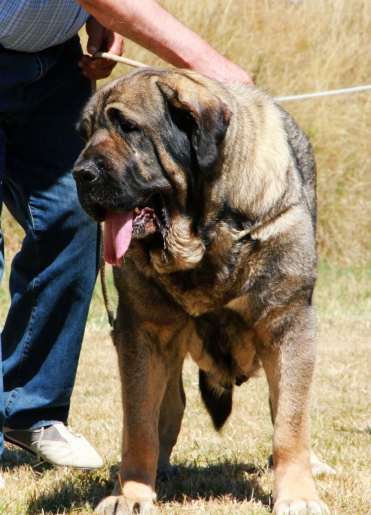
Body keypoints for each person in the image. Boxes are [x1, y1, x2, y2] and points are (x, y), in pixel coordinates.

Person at [0, 0, 252, 488]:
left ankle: (28, 412)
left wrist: (94, 19)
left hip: (54, 62)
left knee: (75, 213)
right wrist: (207, 65)